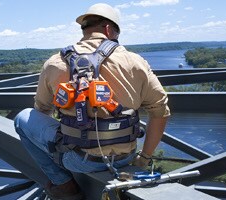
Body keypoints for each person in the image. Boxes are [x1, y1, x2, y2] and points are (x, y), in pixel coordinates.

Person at [14, 3, 170, 199]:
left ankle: (63, 184)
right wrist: (144, 158)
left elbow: (41, 110)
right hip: (125, 158)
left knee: (22, 118)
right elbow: (161, 112)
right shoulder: (135, 62)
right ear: (108, 29)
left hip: (77, 159)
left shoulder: (54, 63)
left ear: (84, 29)